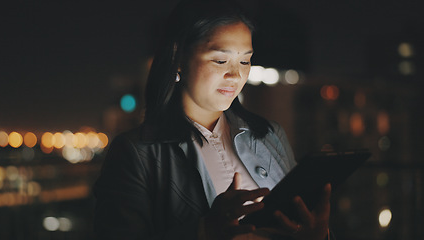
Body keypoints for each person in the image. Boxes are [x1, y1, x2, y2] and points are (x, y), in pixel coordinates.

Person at [94, 0, 332, 239]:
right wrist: (204, 232)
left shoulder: (270, 135)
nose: (236, 75)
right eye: (220, 61)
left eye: (245, 61)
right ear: (178, 59)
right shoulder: (136, 153)